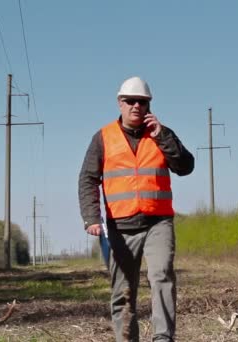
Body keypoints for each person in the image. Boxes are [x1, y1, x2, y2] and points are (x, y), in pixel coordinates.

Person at [78, 76, 194, 341]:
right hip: (120, 227)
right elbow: (87, 178)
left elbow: (185, 166)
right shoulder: (103, 138)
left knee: (162, 276)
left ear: (149, 105)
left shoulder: (162, 135)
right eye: (130, 101)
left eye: (142, 102)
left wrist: (163, 137)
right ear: (120, 103)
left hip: (158, 222)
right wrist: (91, 217)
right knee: (123, 292)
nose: (136, 107)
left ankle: (163, 338)